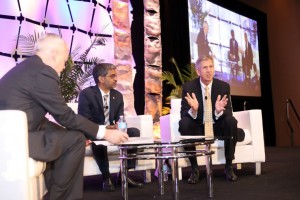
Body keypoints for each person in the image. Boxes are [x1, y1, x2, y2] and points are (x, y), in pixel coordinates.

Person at [0, 33, 129, 200]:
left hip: (13, 135)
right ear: (55, 55)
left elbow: (36, 117)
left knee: (72, 137)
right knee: (75, 139)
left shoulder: (28, 68)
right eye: (65, 60)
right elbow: (64, 115)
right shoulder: (43, 72)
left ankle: (53, 193)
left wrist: (67, 132)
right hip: (17, 141)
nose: (64, 66)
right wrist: (105, 133)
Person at [78, 63, 143, 191]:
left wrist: (120, 125)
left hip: (112, 130)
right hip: (94, 130)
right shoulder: (87, 94)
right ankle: (106, 177)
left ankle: (124, 174)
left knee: (134, 132)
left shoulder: (117, 95)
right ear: (101, 79)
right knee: (98, 136)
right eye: (112, 76)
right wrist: (106, 129)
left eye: (116, 76)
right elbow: (85, 121)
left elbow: (120, 118)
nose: (116, 79)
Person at [178, 55, 239, 184]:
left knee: (231, 121)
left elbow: (229, 112)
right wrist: (193, 110)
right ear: (198, 71)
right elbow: (183, 114)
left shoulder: (223, 87)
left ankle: (228, 166)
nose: (209, 70)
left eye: (211, 67)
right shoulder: (188, 87)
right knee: (184, 123)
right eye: (205, 67)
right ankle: (195, 169)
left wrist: (218, 111)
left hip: (216, 125)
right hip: (199, 126)